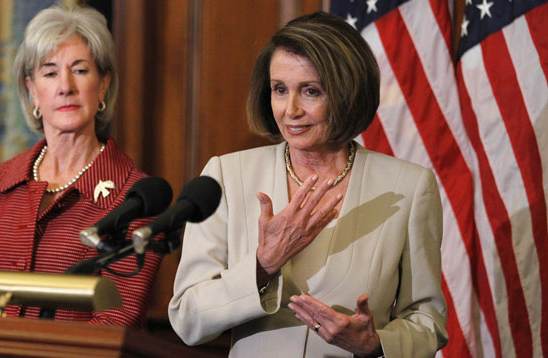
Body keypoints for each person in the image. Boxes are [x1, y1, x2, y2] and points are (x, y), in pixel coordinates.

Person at [168, 11, 448, 357]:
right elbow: (188, 320)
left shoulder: (408, 186)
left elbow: (427, 319)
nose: (290, 109)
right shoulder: (226, 175)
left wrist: (376, 345)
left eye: (311, 91)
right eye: (279, 90)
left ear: (347, 93)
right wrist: (263, 264)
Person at [0, 6, 162, 328]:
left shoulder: (136, 198)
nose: (65, 87)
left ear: (103, 85)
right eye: (50, 73)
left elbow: (115, 323)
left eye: (80, 70)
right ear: (32, 91)